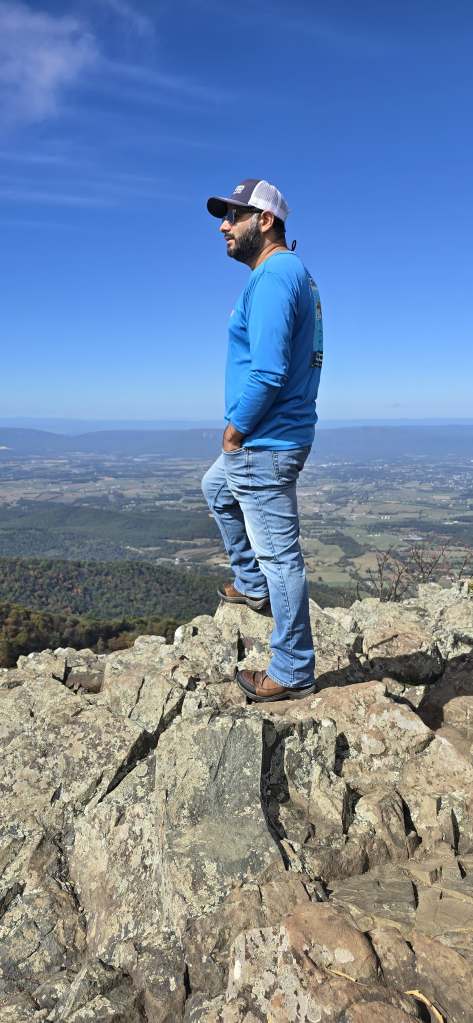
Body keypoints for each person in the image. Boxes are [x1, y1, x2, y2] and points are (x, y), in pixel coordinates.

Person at [201, 178, 323, 702]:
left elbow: (269, 372)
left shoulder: (275, 276)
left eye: (234, 215)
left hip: (263, 443)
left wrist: (234, 431)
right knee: (215, 490)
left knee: (281, 558)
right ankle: (251, 587)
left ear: (265, 220)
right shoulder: (289, 274)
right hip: (271, 439)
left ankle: (292, 669)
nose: (224, 226)